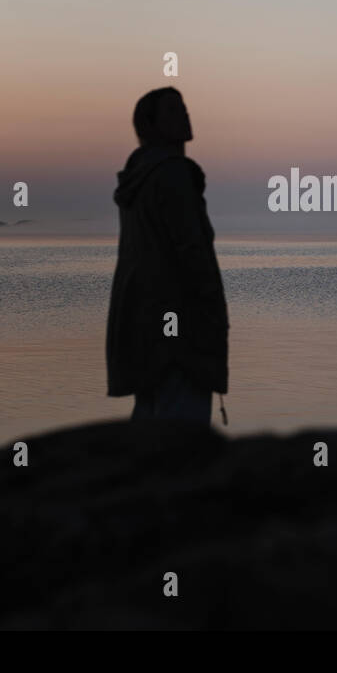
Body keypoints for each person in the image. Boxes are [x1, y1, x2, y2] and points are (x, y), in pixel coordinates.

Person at [106, 87, 229, 423]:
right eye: (174, 111)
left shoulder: (139, 177)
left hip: (140, 325)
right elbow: (192, 252)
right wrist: (212, 319)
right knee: (181, 440)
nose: (186, 115)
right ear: (152, 126)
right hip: (179, 333)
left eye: (185, 108)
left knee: (149, 431)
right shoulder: (172, 174)